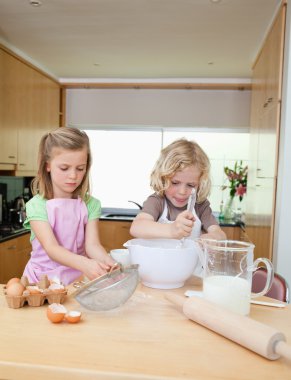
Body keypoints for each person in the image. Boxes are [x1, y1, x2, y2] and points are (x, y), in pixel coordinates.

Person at [23, 127, 115, 285]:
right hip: (40, 281)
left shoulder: (91, 205)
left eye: (80, 168)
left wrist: (109, 262)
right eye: (64, 168)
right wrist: (85, 263)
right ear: (48, 166)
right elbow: (52, 249)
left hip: (76, 281)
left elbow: (92, 245)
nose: (73, 176)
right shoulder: (36, 206)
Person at [130, 138, 226, 242]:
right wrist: (171, 230)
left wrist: (210, 238)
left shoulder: (200, 205)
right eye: (175, 183)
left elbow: (220, 235)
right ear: (163, 178)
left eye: (190, 185)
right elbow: (137, 227)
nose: (182, 192)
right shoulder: (157, 201)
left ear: (200, 183)